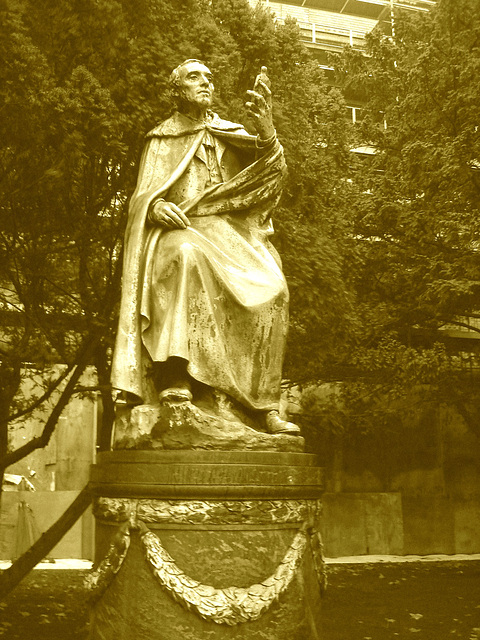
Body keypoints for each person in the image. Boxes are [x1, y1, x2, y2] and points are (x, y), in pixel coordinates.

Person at [111, 59, 299, 435]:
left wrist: (267, 133)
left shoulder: (231, 132)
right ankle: (176, 376)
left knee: (275, 289)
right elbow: (141, 196)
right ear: (177, 90)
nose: (205, 83)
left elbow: (272, 178)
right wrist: (156, 206)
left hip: (230, 233)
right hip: (181, 229)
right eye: (194, 77)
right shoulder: (161, 138)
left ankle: (263, 405)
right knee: (186, 255)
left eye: (209, 77)